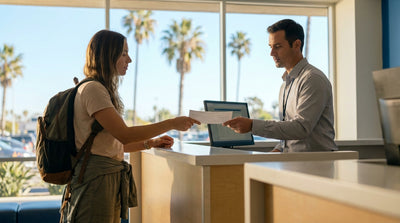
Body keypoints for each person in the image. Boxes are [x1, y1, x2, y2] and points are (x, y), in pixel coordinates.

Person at [61, 29, 200, 223]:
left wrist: (150, 143)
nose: (129, 60)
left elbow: (116, 144)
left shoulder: (95, 89)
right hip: (96, 181)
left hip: (101, 178)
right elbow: (125, 135)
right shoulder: (93, 89)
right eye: (124, 53)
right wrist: (172, 123)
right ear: (108, 55)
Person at [223, 19, 337, 152]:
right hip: (294, 163)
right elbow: (288, 133)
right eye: (270, 47)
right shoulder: (285, 85)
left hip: (317, 164)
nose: (271, 53)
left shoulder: (313, 79)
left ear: (296, 45)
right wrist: (277, 151)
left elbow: (301, 128)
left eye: (277, 47)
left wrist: (252, 125)